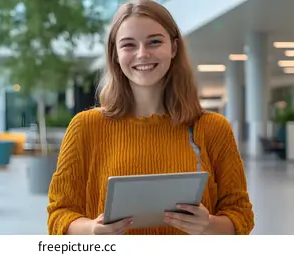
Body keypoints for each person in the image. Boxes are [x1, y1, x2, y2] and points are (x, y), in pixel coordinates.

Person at [47, 0, 254, 235]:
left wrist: (209, 225)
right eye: (128, 45)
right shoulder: (86, 127)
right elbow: (59, 215)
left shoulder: (213, 128)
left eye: (154, 41)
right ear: (115, 53)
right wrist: (91, 230)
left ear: (174, 48)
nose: (142, 54)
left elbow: (241, 215)